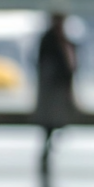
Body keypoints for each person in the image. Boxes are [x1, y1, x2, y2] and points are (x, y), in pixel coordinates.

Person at [34, 13, 78, 172]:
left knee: (53, 120)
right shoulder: (51, 40)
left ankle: (48, 146)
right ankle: (47, 147)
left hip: (55, 88)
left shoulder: (59, 39)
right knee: (52, 119)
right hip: (53, 88)